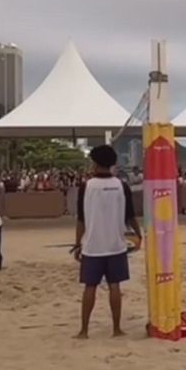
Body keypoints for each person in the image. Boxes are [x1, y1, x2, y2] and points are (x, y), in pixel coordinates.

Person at [71, 145, 142, 339]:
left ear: (94, 162)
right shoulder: (121, 185)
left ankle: (84, 330)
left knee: (90, 287)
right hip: (115, 244)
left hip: (93, 246)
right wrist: (139, 235)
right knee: (115, 286)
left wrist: (77, 244)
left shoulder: (87, 186)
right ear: (113, 163)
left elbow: (81, 219)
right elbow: (131, 216)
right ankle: (116, 329)